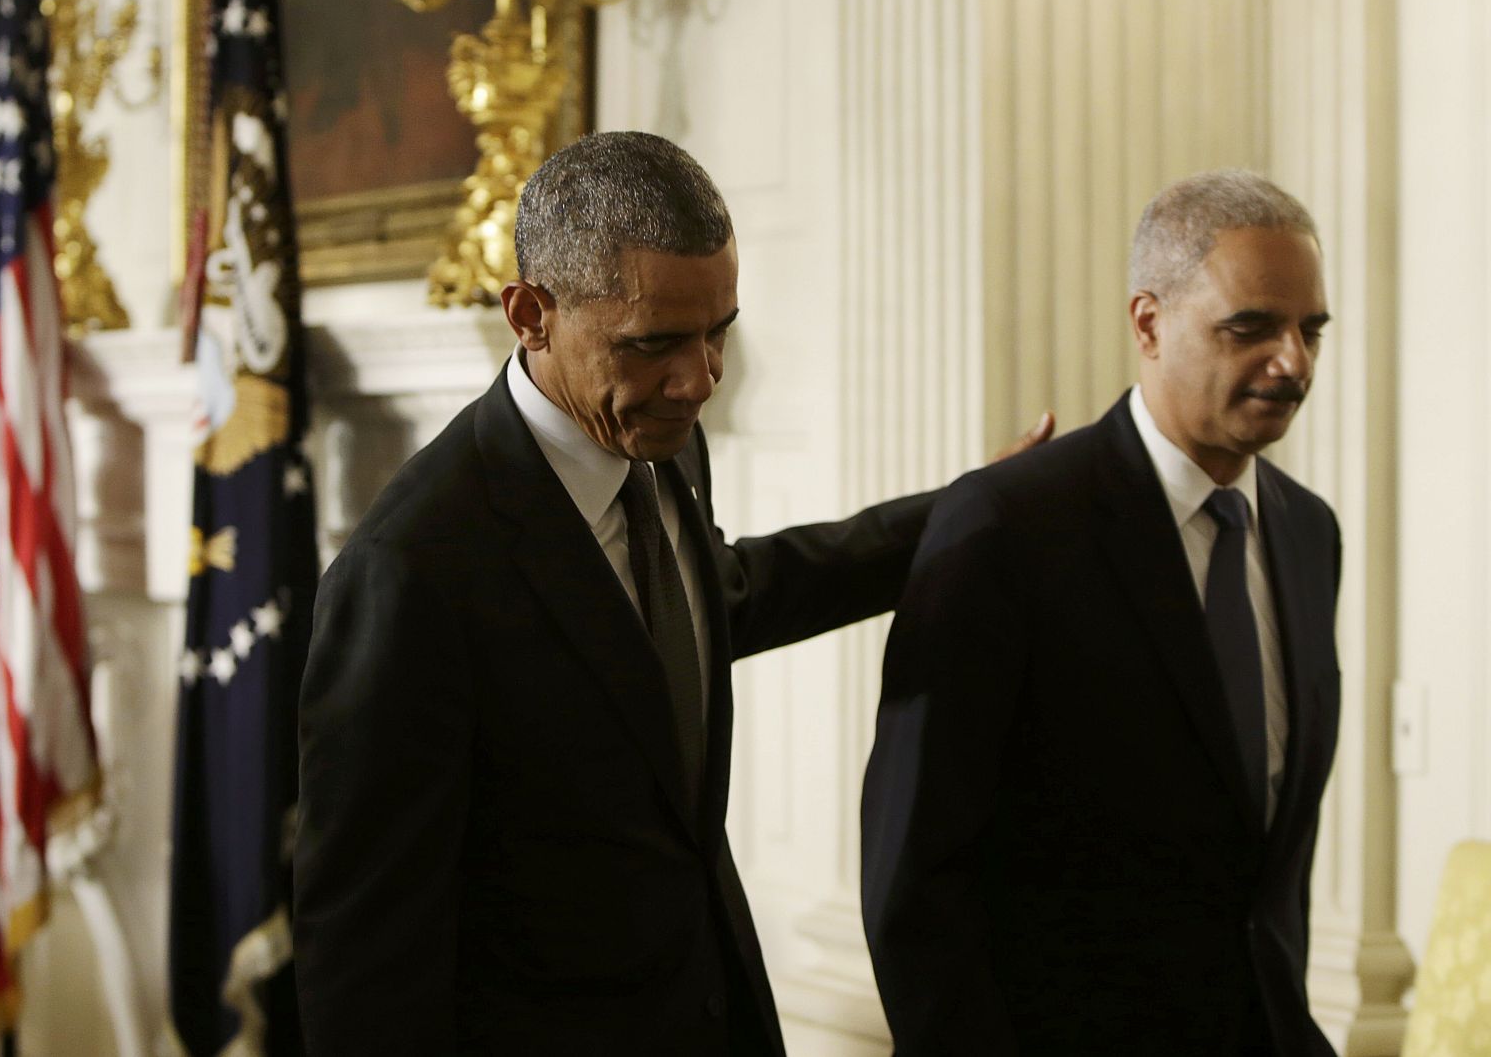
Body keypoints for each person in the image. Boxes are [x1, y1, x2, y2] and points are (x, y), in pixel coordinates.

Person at [292, 131, 1050, 1056]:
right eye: (655, 343)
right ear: (530, 313)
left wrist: (971, 514)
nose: (701, 380)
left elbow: (716, 598)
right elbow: (366, 962)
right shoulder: (410, 569)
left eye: (718, 331)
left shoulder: (660, 439)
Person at [861, 169, 1341, 1056]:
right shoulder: (1009, 525)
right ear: (1148, 322)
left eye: (1309, 330)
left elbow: (1262, 868)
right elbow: (915, 882)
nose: (1294, 363)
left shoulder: (1311, 533)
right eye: (1252, 328)